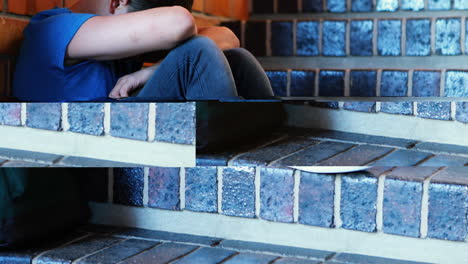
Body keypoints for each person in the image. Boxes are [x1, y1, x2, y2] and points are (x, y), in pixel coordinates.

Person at [13, 0, 275, 102]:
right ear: (119, 2)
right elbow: (179, 23)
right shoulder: (52, 28)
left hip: (120, 129)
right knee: (198, 51)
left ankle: (262, 143)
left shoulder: (114, 52)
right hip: (90, 142)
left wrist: (150, 73)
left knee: (235, 58)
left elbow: (228, 36)